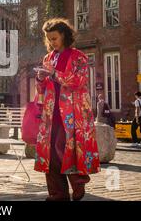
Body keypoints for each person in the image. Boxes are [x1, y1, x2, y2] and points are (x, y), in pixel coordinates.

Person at [35, 18, 100, 201]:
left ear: (64, 35)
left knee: (64, 149)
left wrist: (54, 74)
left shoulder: (79, 57)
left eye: (54, 38)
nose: (51, 42)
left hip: (73, 113)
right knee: (51, 154)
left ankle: (78, 181)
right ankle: (57, 194)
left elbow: (78, 81)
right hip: (52, 113)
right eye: (49, 39)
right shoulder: (48, 58)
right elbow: (42, 89)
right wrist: (40, 79)